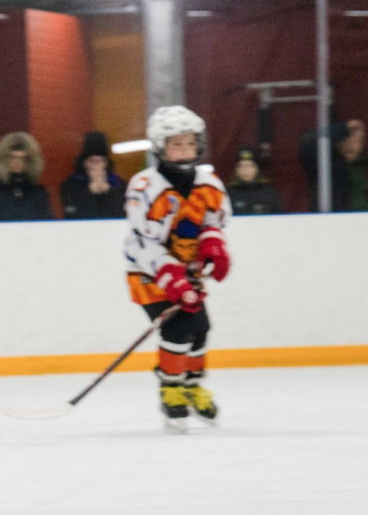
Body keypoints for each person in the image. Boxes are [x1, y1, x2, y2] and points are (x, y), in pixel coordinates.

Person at [123, 105, 231, 432]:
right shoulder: (145, 186)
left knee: (201, 326)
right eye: (176, 143)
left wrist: (213, 243)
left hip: (188, 271)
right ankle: (171, 388)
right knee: (178, 328)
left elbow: (212, 220)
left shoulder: (208, 182)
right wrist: (171, 276)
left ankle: (192, 385)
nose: (184, 150)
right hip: (149, 274)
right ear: (160, 146)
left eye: (189, 143)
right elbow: (145, 241)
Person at [299, 119, 368, 212]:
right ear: (338, 143)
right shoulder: (327, 166)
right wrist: (344, 127)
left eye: (356, 141)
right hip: (334, 222)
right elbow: (308, 141)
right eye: (346, 140)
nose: (350, 146)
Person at [59, 131, 126, 220]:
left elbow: (120, 215)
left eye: (101, 161)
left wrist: (108, 193)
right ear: (84, 163)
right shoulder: (70, 185)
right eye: (92, 161)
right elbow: (73, 215)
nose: (96, 166)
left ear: (106, 163)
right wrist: (89, 193)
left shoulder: (119, 184)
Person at [0, 132, 51, 221]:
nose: (17, 163)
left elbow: (49, 224)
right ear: (4, 159)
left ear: (30, 161)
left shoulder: (38, 193)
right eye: (13, 158)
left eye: (22, 158)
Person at [225, 147, 284, 216]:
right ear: (236, 170)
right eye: (241, 166)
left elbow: (280, 219)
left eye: (249, 166)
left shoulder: (269, 193)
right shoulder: (228, 194)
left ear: (257, 169)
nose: (245, 170)